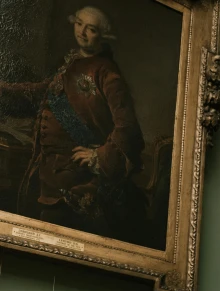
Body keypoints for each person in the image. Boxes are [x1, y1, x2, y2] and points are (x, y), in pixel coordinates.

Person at [0, 6, 146, 243]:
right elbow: (44, 91)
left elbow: (127, 126)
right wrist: (3, 88)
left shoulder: (107, 73)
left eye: (92, 29)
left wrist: (98, 155)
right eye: (79, 24)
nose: (82, 32)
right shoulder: (71, 63)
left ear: (103, 36)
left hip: (78, 179)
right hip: (48, 170)